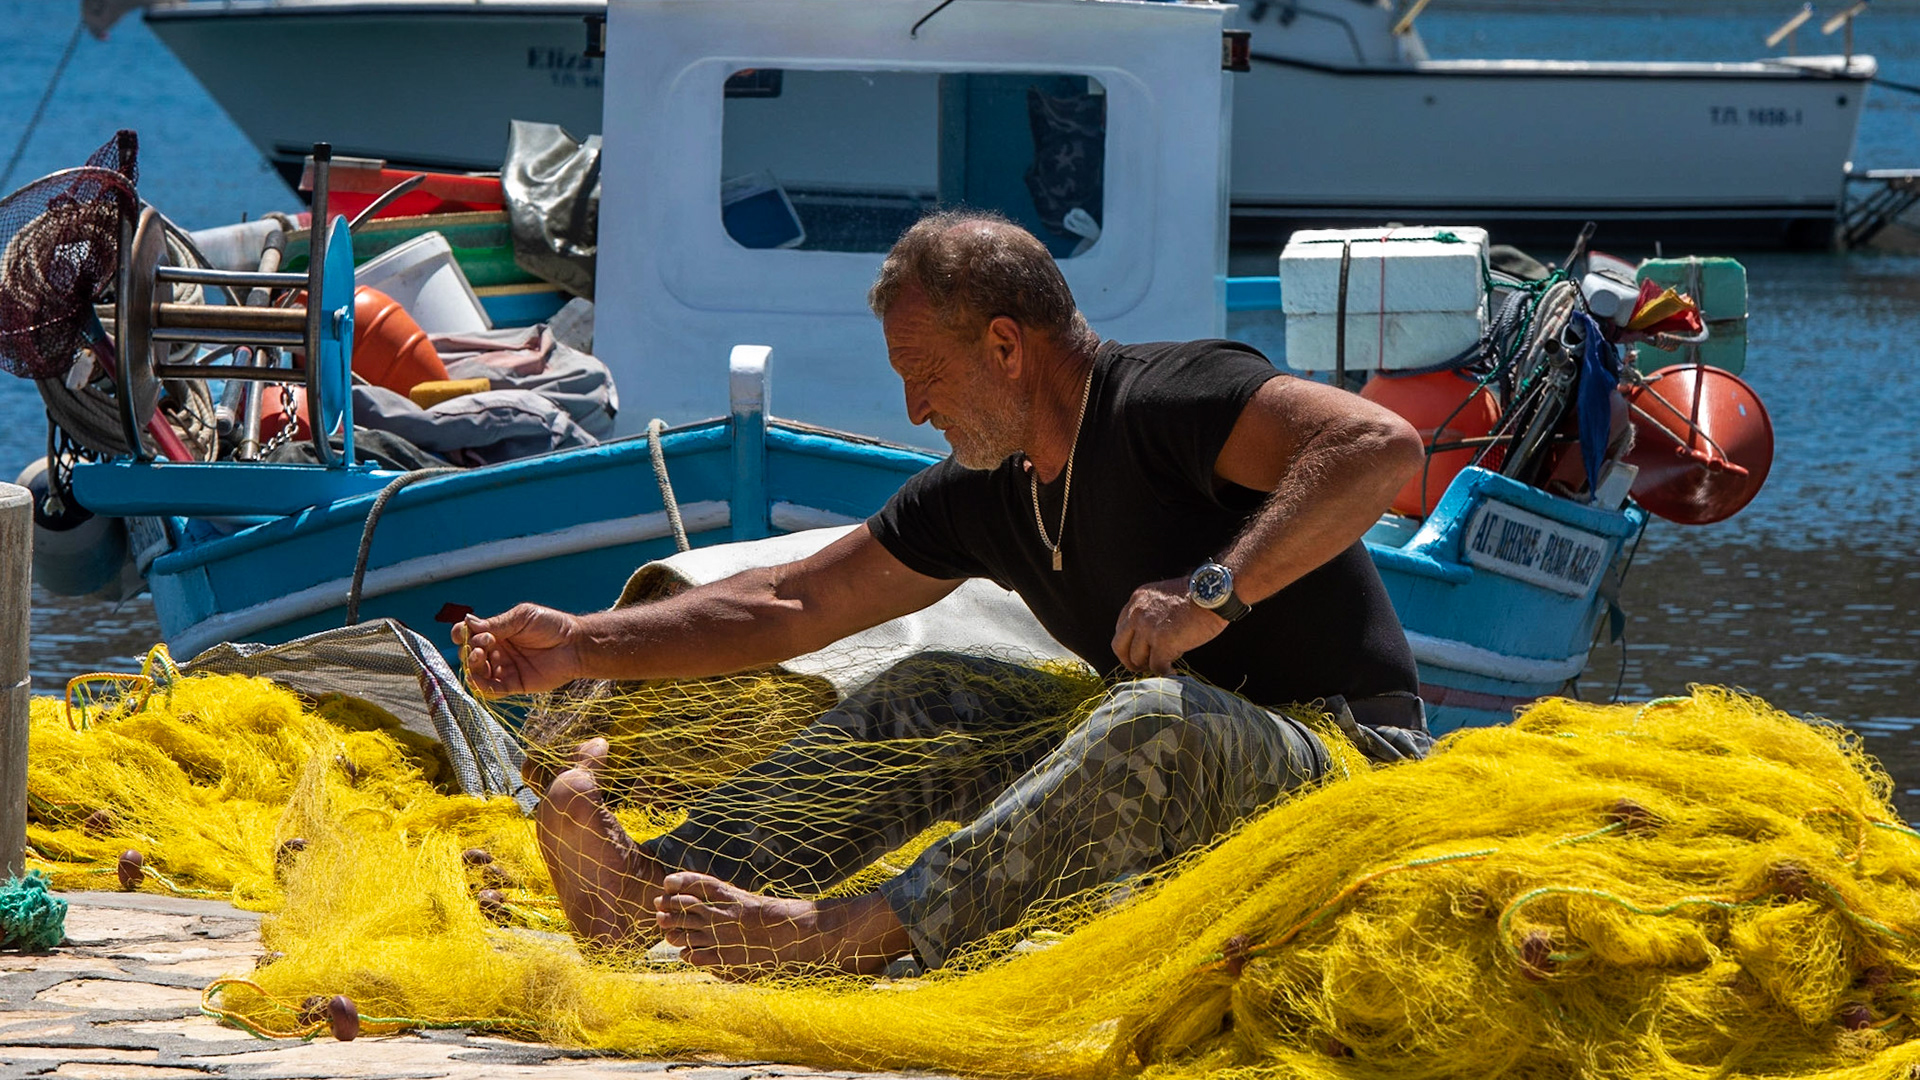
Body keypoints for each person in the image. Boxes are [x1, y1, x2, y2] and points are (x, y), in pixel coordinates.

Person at [456, 211, 1429, 977]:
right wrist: (581, 640)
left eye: (924, 374)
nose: (916, 408)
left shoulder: (1168, 399)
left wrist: (1212, 591)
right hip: (1182, 745)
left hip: (1347, 754)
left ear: (1006, 346)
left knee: (1150, 713)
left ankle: (844, 933)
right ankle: (648, 889)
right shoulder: (990, 492)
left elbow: (1376, 445)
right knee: (935, 685)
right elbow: (791, 601)